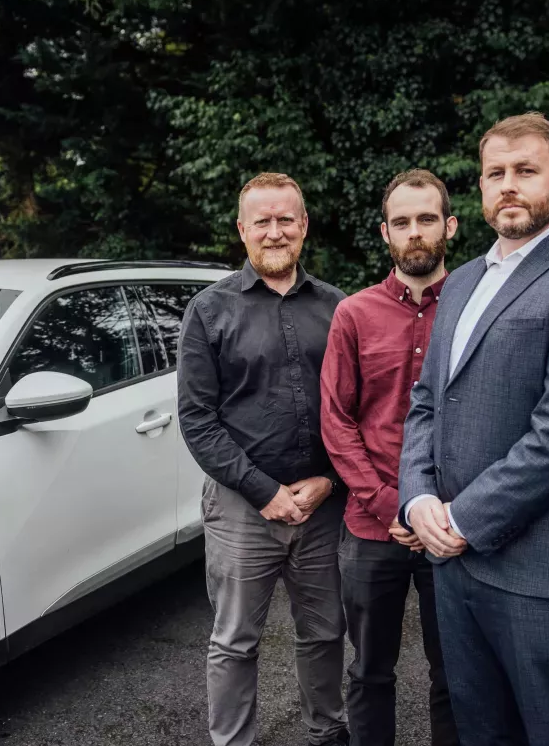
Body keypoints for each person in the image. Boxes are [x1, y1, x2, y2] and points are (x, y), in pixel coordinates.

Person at [398, 112, 549, 746]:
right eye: (495, 174)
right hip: (456, 571)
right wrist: (419, 496)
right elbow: (427, 400)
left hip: (546, 578)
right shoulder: (463, 283)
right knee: (479, 732)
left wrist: (460, 520)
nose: (508, 186)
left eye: (524, 171)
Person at [177, 172, 350, 746]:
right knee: (234, 642)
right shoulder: (208, 311)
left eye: (286, 220)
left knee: (325, 633)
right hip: (241, 509)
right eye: (262, 222)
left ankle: (327, 731)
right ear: (242, 230)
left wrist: (329, 479)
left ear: (303, 226)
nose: (274, 233)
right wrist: (265, 492)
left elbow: (354, 409)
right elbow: (197, 420)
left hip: (323, 507)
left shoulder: (339, 309)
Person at [320, 169, 460, 746]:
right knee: (369, 670)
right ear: (385, 233)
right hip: (373, 530)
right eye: (402, 222)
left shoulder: (477, 305)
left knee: (454, 672)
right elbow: (336, 419)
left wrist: (445, 511)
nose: (415, 232)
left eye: (426, 219)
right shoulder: (353, 314)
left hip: (454, 525)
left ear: (449, 225)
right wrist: (390, 507)